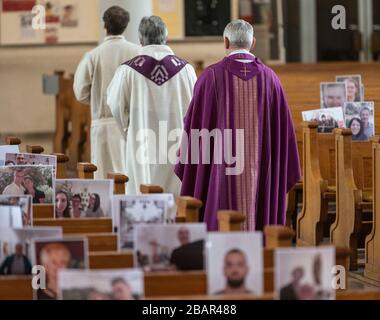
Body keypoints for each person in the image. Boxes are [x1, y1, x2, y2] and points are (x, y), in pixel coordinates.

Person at [175, 20, 300, 231]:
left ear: (225, 42)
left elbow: (193, 127)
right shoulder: (271, 79)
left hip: (219, 173)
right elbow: (285, 134)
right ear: (253, 42)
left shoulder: (210, 77)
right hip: (260, 174)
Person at [107, 16, 197, 195]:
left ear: (140, 39)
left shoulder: (128, 70)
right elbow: (196, 106)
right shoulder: (186, 70)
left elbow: (115, 104)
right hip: (177, 142)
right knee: (177, 196)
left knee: (143, 193)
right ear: (166, 37)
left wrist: (127, 129)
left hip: (141, 141)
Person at [74, 6, 140, 179]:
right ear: (126, 26)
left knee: (103, 178)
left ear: (105, 25)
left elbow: (80, 92)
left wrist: (97, 99)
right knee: (129, 177)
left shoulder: (93, 55)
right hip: (130, 124)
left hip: (102, 123)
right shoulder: (137, 52)